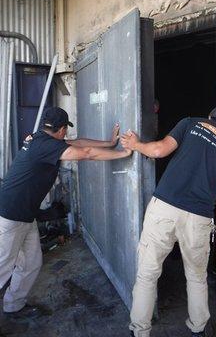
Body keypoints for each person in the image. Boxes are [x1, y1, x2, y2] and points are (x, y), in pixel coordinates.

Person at [121, 106, 216, 337]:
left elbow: (158, 150)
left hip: (165, 208)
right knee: (197, 277)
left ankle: (140, 331)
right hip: (199, 217)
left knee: (147, 273)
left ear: (210, 117)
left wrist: (135, 145)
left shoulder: (191, 123)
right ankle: (198, 329)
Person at [0, 107, 131, 321]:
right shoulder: (45, 145)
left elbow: (78, 142)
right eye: (65, 130)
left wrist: (109, 143)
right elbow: (86, 153)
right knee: (2, 267)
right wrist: (123, 153)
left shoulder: (43, 140)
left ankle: (14, 305)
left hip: (24, 214)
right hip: (9, 216)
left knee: (31, 262)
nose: (66, 134)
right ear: (61, 129)